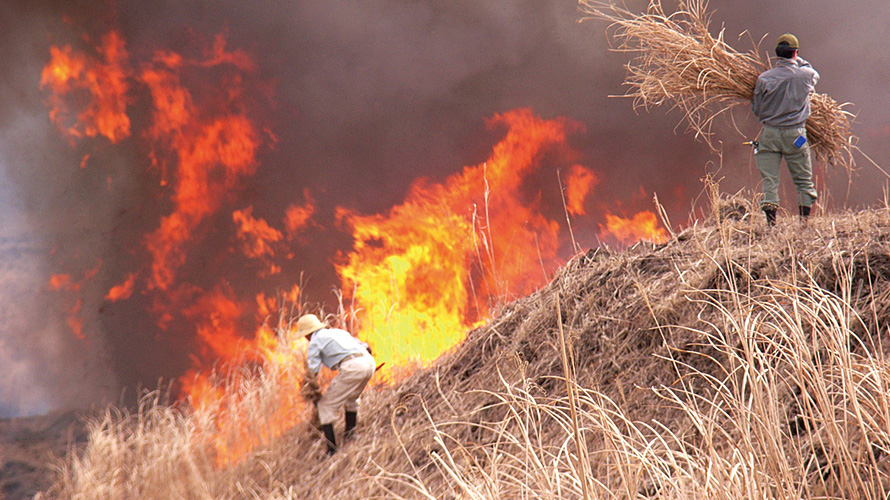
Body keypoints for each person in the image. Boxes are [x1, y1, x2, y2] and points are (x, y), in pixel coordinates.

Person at [750, 33, 820, 226]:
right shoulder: (806, 75)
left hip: (770, 135)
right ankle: (803, 224)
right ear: (795, 52)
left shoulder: (764, 79)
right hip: (797, 136)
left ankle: (771, 225)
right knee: (803, 180)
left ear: (777, 55)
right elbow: (811, 72)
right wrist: (797, 60)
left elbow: (756, 109)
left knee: (770, 181)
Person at [297, 313, 375, 455]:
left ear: (307, 334)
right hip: (369, 362)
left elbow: (313, 372)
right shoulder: (336, 332)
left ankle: (331, 450)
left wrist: (309, 390)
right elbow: (367, 347)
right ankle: (350, 437)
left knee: (325, 406)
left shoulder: (315, 342)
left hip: (353, 368)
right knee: (351, 398)